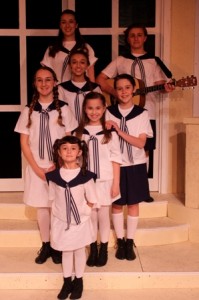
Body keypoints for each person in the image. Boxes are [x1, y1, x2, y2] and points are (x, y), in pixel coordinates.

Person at [96, 24, 175, 202]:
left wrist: (166, 89)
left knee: (144, 148)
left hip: (148, 110)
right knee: (118, 147)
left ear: (145, 38)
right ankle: (120, 185)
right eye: (132, 35)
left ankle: (142, 190)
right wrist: (114, 92)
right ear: (128, 38)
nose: (136, 38)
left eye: (140, 35)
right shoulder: (121, 60)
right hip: (122, 110)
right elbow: (100, 78)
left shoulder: (154, 61)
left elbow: (161, 85)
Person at [14, 66, 78, 265]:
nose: (44, 84)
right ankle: (46, 244)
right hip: (36, 167)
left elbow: (71, 138)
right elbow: (24, 142)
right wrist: (36, 168)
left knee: (57, 207)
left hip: (58, 167)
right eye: (39, 80)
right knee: (42, 208)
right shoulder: (29, 110)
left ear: (55, 83)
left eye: (48, 79)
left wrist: (58, 165)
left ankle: (59, 245)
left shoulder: (64, 109)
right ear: (35, 84)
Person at [105, 74, 153, 260]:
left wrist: (118, 130)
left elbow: (141, 143)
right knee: (117, 204)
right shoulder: (108, 112)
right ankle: (120, 240)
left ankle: (130, 241)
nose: (123, 91)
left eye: (127, 87)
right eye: (119, 88)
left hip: (135, 164)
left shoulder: (142, 113)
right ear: (115, 91)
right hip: (115, 165)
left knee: (133, 204)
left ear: (134, 89)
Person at [46, 135, 98, 300]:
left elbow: (92, 199)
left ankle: (79, 280)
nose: (69, 151)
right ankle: (67, 281)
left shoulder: (85, 176)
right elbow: (52, 198)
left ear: (79, 152)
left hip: (80, 221)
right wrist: (57, 216)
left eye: (73, 148)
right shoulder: (54, 177)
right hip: (62, 221)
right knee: (66, 250)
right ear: (59, 153)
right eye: (65, 148)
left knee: (79, 250)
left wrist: (85, 213)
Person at [74, 91, 122, 267]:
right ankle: (92, 248)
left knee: (103, 216)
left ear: (103, 109)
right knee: (91, 217)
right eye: (90, 108)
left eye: (98, 108)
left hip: (105, 182)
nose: (94, 112)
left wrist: (116, 183)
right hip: (87, 184)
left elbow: (116, 160)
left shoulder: (110, 133)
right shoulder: (79, 133)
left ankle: (104, 248)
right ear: (85, 110)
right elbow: (75, 160)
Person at [41, 9, 97, 83]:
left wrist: (92, 93)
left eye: (71, 22)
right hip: (58, 92)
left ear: (76, 25)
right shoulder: (52, 49)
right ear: (60, 25)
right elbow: (46, 75)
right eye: (64, 22)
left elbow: (91, 76)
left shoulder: (85, 47)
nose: (67, 25)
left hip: (81, 92)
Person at [58, 48, 102, 123]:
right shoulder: (62, 88)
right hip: (69, 130)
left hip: (90, 130)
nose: (78, 66)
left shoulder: (95, 88)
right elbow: (60, 112)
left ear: (87, 65)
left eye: (82, 62)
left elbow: (101, 111)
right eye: (74, 62)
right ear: (69, 65)